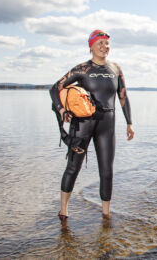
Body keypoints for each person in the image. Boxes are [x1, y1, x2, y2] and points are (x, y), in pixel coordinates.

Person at [49, 29, 134, 220]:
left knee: (106, 171)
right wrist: (62, 110)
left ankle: (106, 214)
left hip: (107, 124)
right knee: (73, 167)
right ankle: (64, 210)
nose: (105, 47)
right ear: (91, 46)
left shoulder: (116, 69)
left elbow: (123, 97)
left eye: (107, 44)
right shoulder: (82, 69)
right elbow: (55, 88)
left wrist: (129, 122)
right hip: (83, 125)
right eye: (100, 44)